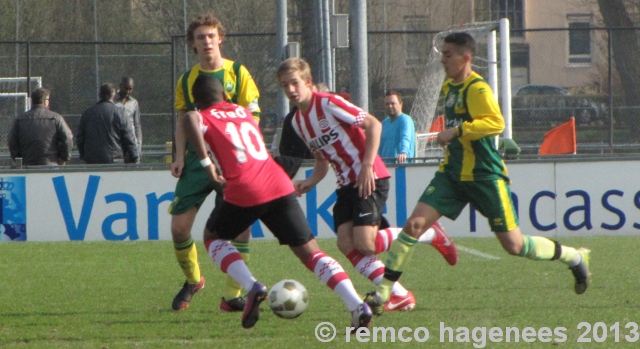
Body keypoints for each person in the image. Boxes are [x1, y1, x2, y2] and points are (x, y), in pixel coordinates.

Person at [364, 32, 592, 313]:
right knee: (413, 225)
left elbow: (496, 122)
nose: (443, 60)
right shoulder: (449, 87)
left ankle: (574, 257)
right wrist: (450, 137)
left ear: (466, 57)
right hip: (452, 174)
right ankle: (382, 294)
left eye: (448, 54)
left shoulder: (478, 89)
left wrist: (457, 130)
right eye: (443, 54)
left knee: (515, 245)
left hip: (485, 175)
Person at [183, 73, 372, 330]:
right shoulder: (242, 112)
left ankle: (251, 287)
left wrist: (208, 168)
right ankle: (356, 305)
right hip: (279, 183)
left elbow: (190, 119)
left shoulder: (201, 115)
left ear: (197, 102)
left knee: (212, 237)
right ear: (226, 96)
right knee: (311, 252)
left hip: (245, 187)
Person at [277, 57, 458, 315]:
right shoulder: (297, 122)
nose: (291, 90)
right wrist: (309, 181)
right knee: (345, 244)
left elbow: (372, 124)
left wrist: (367, 165)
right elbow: (321, 159)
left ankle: (430, 233)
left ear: (308, 82)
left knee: (366, 244)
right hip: (346, 183)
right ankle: (400, 295)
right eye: (285, 85)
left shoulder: (328, 102)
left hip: (369, 176)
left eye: (295, 83)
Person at [169, 13, 261, 312]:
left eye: (211, 36)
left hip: (233, 161)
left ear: (220, 38)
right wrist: (179, 156)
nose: (207, 41)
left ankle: (233, 295)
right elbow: (184, 120)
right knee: (179, 229)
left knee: (242, 229)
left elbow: (253, 118)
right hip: (198, 162)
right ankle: (194, 280)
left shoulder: (238, 72)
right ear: (192, 44)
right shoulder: (186, 79)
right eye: (200, 37)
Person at [8, 88, 73, 166]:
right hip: (51, 163)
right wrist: (64, 158)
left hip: (27, 164)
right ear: (45, 101)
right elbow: (67, 138)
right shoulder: (56, 118)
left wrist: (18, 158)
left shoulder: (19, 120)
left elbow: (12, 141)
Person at [76, 83, 138, 164]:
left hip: (92, 161)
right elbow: (129, 137)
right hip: (115, 161)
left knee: (95, 177)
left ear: (100, 95)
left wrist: (83, 155)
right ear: (114, 95)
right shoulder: (120, 113)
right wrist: (134, 157)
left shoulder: (87, 113)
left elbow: (80, 138)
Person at [378, 91, 416, 164]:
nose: (390, 106)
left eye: (393, 103)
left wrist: (403, 152)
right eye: (387, 104)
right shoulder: (384, 123)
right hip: (385, 167)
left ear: (401, 104)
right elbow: (380, 145)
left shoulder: (405, 120)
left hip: (401, 166)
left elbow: (405, 137)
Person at [114, 77, 142, 162]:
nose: (127, 91)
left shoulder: (134, 103)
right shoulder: (113, 101)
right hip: (117, 141)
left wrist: (139, 145)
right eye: (125, 88)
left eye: (130, 89)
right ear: (120, 86)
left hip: (131, 140)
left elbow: (137, 125)